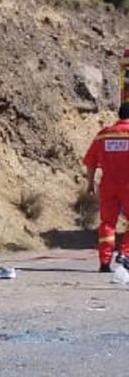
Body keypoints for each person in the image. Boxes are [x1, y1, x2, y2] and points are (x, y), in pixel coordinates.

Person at [82, 102, 129, 271]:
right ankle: (125, 253)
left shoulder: (103, 135)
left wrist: (90, 183)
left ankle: (104, 262)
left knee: (107, 223)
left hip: (108, 184)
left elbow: (90, 162)